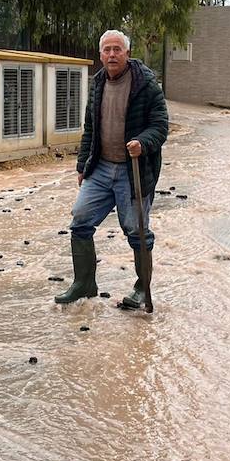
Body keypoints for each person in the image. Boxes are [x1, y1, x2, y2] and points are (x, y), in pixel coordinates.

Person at [54, 29, 169, 309]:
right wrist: (83, 164)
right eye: (107, 50)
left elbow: (160, 125)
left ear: (127, 53)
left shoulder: (146, 84)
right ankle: (84, 284)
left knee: (137, 231)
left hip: (134, 171)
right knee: (80, 221)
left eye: (117, 49)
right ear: (101, 54)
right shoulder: (98, 83)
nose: (112, 54)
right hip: (101, 169)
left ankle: (142, 289)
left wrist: (143, 142)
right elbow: (90, 129)